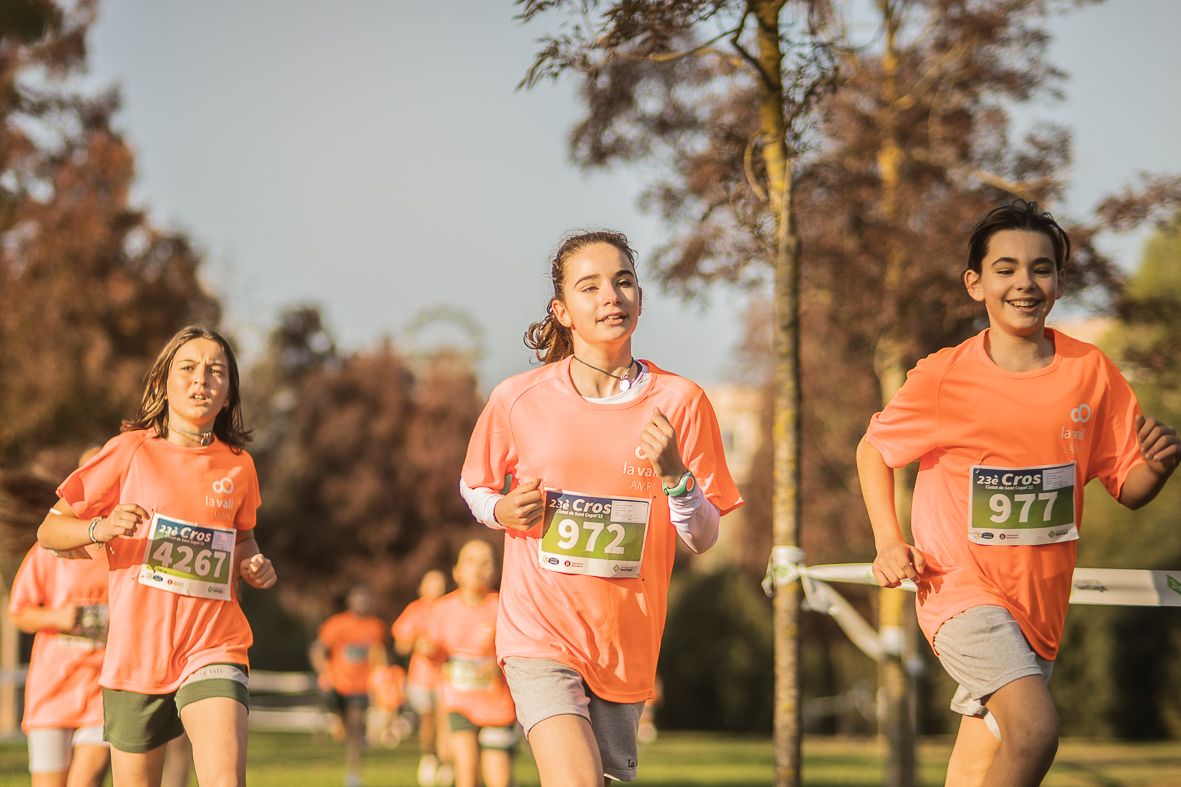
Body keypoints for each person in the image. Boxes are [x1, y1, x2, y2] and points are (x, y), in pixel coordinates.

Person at [856, 200, 1180, 787]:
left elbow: (1127, 486)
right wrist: (887, 540)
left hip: (1040, 607)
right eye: (1005, 269)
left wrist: (1157, 467)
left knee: (981, 762)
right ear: (975, 284)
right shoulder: (943, 375)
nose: (1024, 283)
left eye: (1041, 268)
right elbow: (874, 449)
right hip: (959, 591)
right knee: (1035, 733)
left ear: (1058, 281)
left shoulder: (1092, 371)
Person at [459, 230, 742, 785]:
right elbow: (475, 486)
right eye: (590, 287)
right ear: (562, 311)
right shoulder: (518, 398)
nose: (611, 296)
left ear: (640, 296)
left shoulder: (681, 401)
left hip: (625, 645)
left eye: (623, 281)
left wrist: (675, 476)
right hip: (539, 634)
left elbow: (704, 537)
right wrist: (501, 512)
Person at [37, 325, 277, 787]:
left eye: (215, 371)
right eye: (187, 368)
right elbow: (50, 530)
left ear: (228, 393)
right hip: (136, 653)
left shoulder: (239, 464)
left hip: (214, 644)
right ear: (162, 384)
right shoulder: (129, 451)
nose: (200, 379)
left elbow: (244, 538)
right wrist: (99, 528)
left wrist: (253, 562)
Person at [9, 540, 110, 787]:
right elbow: (19, 612)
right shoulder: (50, 545)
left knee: (85, 782)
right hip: (53, 688)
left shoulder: (128, 547)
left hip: (104, 688)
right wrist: (57, 617)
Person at [424, 540, 517, 787]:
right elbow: (432, 651)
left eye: (485, 562)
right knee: (466, 774)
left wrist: (499, 665)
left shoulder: (503, 606)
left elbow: (519, 651)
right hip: (459, 701)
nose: (478, 569)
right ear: (457, 571)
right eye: (471, 561)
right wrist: (426, 649)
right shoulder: (443, 609)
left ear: (495, 571)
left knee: (499, 780)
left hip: (497, 704)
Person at [309, 585, 388, 787]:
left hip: (361, 687)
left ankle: (353, 773)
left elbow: (379, 654)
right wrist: (324, 673)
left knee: (355, 727)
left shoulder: (375, 626)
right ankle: (339, 727)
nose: (362, 604)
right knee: (345, 731)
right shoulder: (337, 624)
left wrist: (382, 675)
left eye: (365, 600)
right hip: (338, 685)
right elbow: (317, 650)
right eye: (358, 600)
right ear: (350, 602)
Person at [392, 569, 451, 786]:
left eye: (440, 582)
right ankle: (429, 756)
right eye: (432, 583)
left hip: (446, 675)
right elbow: (400, 644)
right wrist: (416, 642)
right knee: (427, 721)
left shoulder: (449, 608)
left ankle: (447, 763)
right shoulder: (414, 610)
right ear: (422, 587)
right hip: (421, 677)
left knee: (444, 721)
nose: (436, 587)